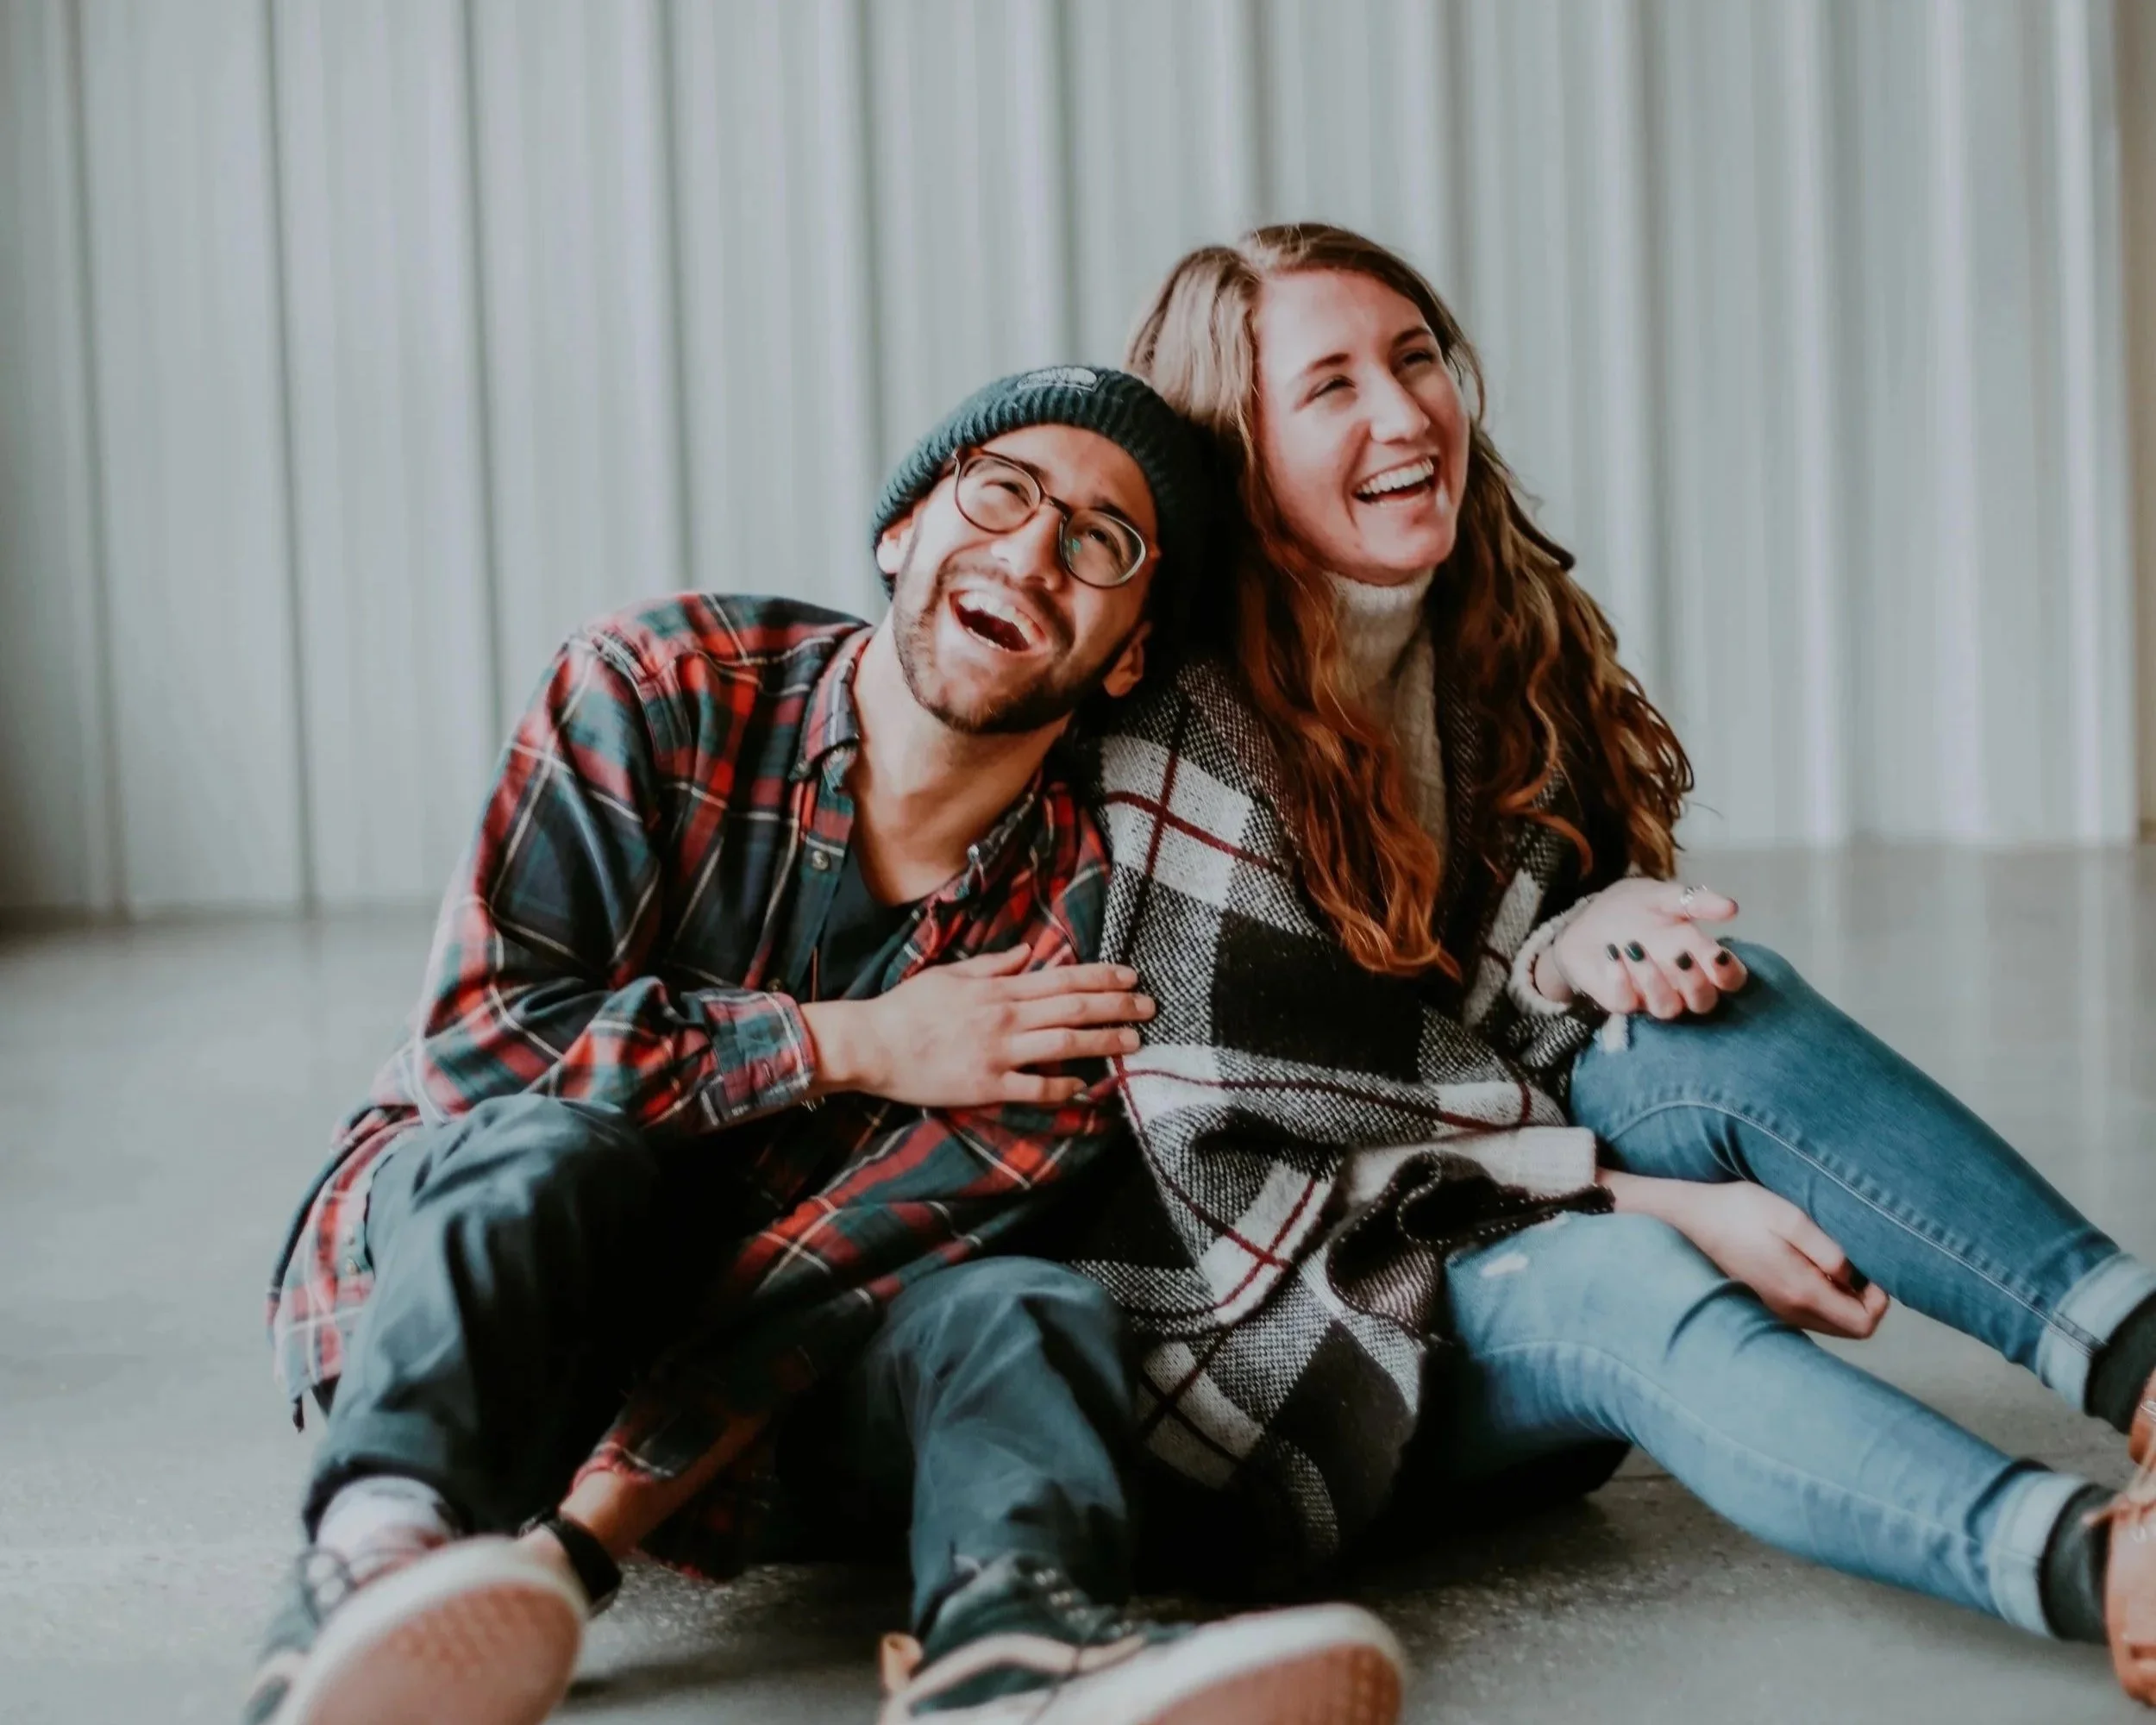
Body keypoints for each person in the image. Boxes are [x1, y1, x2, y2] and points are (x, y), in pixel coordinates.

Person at [1064, 223, 2156, 1703]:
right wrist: (1645, 1200)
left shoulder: (1481, 638)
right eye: (1330, 386)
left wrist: (1583, 938)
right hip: (1274, 1371)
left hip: (1457, 1276)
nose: (1405, 414)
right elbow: (1255, 1168)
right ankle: (2102, 1567)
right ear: (1236, 445)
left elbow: (1442, 1025)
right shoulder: (1183, 736)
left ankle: (2137, 1357)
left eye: (1416, 357)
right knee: (1619, 1272)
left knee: (1710, 1010)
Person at [247, 365, 1404, 1725]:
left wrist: (578, 1548)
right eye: (1003, 492)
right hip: (472, 1321)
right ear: (901, 532)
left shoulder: (1077, 943)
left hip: (752, 1413)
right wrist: (848, 1043)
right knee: (557, 1147)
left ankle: (1014, 1646)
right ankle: (373, 1557)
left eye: (1102, 542)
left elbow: (833, 1284)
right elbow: (480, 1058)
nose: (1034, 551)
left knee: (1021, 1305)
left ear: (1130, 649)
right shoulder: (656, 685)